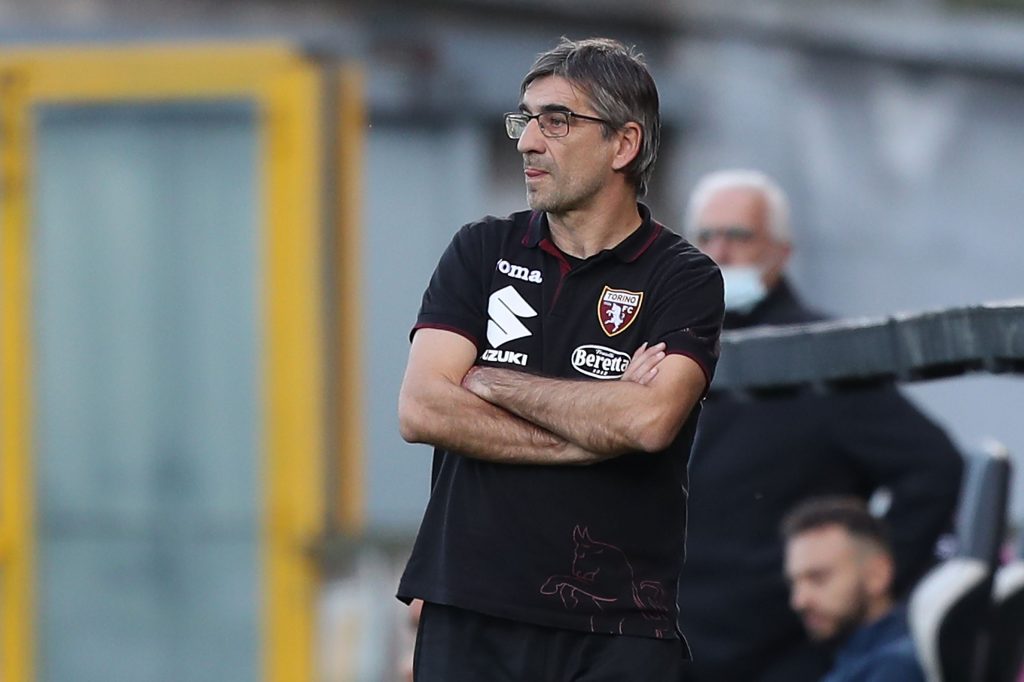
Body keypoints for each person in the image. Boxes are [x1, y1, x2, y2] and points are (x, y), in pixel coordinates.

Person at [396, 37, 724, 681]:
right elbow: (422, 408)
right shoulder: (480, 250)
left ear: (623, 144)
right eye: (525, 119)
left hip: (619, 627)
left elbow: (647, 422)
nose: (526, 141)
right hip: (471, 610)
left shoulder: (683, 277)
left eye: (556, 121)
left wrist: (489, 381)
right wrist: (588, 433)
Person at [676, 169, 963, 682]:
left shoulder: (820, 357)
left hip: (780, 658)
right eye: (706, 236)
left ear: (781, 251)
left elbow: (933, 468)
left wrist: (863, 582)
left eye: (739, 235)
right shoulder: (669, 348)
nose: (720, 251)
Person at [782, 496, 927, 682]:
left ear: (877, 574)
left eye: (818, 578)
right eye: (794, 583)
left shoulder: (896, 666)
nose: (799, 601)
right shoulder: (855, 660)